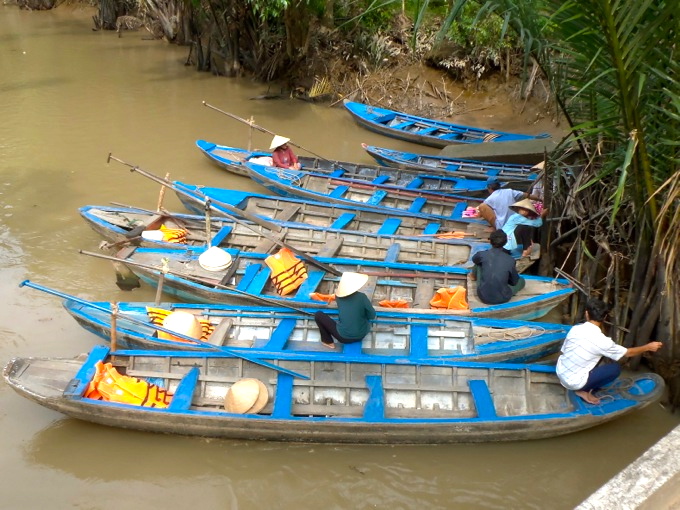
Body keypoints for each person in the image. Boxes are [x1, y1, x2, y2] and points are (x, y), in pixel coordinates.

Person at [556, 298, 663, 405]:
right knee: (615, 369)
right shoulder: (603, 342)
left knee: (594, 356)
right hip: (574, 383)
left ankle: (582, 384)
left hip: (560, 372)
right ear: (605, 317)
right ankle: (583, 391)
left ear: (586, 314)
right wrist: (648, 347)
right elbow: (628, 353)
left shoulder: (575, 329)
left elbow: (563, 351)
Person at [314, 272, 376, 348]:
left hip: (343, 338)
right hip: (361, 336)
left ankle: (328, 341)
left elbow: (331, 298)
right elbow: (372, 316)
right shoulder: (362, 297)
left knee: (318, 315)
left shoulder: (338, 297)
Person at [471, 229, 525, 305]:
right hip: (503, 298)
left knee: (478, 263)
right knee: (521, 281)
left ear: (490, 241)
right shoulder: (510, 260)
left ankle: (473, 276)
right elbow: (514, 282)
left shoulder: (482, 254)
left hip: (483, 296)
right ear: (505, 242)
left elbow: (474, 259)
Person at [477, 177, 542, 229]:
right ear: (499, 186)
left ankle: (495, 228)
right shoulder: (510, 191)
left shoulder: (489, 200)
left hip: (502, 227)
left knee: (482, 206)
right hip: (516, 224)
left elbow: (481, 213)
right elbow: (526, 195)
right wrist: (540, 199)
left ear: (489, 188)